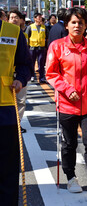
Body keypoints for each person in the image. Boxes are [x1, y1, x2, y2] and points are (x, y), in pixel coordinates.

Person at [46, 7, 87, 194]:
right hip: (66, 105)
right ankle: (71, 178)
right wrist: (67, 89)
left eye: (81, 22)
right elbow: (51, 73)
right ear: (67, 25)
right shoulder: (57, 46)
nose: (77, 26)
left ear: (86, 25)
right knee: (69, 144)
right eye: (73, 22)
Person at [0, 18, 31, 205]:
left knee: (8, 169)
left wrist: (20, 78)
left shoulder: (13, 32)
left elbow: (25, 63)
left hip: (6, 111)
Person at [7, 10, 28, 133]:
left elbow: (26, 58)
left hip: (19, 76)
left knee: (20, 101)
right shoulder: (5, 33)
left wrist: (22, 76)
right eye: (11, 17)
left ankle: (17, 124)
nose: (14, 19)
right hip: (7, 76)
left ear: (21, 20)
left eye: (16, 17)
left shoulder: (23, 34)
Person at [26, 12, 48, 83]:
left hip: (41, 48)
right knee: (31, 63)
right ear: (34, 18)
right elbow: (27, 37)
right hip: (32, 48)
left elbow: (47, 37)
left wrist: (46, 46)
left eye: (40, 17)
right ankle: (32, 76)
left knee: (41, 63)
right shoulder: (30, 27)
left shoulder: (44, 27)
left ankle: (41, 78)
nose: (40, 18)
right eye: (38, 17)